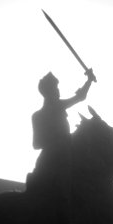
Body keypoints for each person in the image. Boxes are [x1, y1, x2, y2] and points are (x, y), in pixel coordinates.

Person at [26, 70, 95, 213]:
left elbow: (80, 97)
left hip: (66, 156)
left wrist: (88, 81)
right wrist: (58, 139)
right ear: (48, 92)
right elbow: (36, 144)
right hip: (53, 161)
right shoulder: (43, 114)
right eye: (55, 89)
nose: (58, 91)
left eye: (57, 88)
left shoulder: (56, 107)